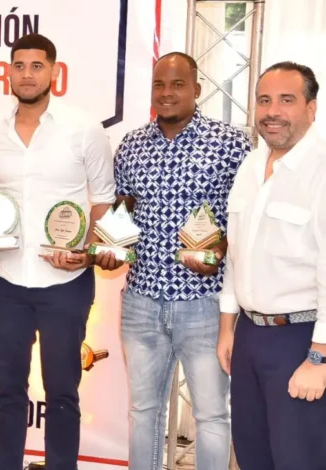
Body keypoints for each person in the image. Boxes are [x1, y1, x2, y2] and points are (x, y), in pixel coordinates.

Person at [94, 52, 252, 469]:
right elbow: (123, 209)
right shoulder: (131, 145)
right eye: (159, 85)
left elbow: (246, 218)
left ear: (197, 90)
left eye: (177, 85)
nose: (167, 93)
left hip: (205, 303)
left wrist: (220, 252)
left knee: (212, 415)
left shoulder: (232, 143)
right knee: (143, 412)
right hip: (142, 300)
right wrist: (110, 248)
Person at [0, 34, 115, 470]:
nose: (27, 74)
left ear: (54, 71)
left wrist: (87, 251)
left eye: (37, 66)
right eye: (19, 65)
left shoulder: (83, 128)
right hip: (6, 281)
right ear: (9, 71)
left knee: (64, 394)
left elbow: (103, 198)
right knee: (8, 390)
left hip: (65, 285)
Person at [218, 61, 326, 470]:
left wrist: (320, 358)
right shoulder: (250, 166)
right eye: (264, 100)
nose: (272, 111)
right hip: (248, 337)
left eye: (287, 100)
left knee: (299, 458)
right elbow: (237, 252)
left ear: (311, 109)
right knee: (252, 453)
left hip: (300, 341)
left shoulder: (322, 171)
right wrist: (228, 329)